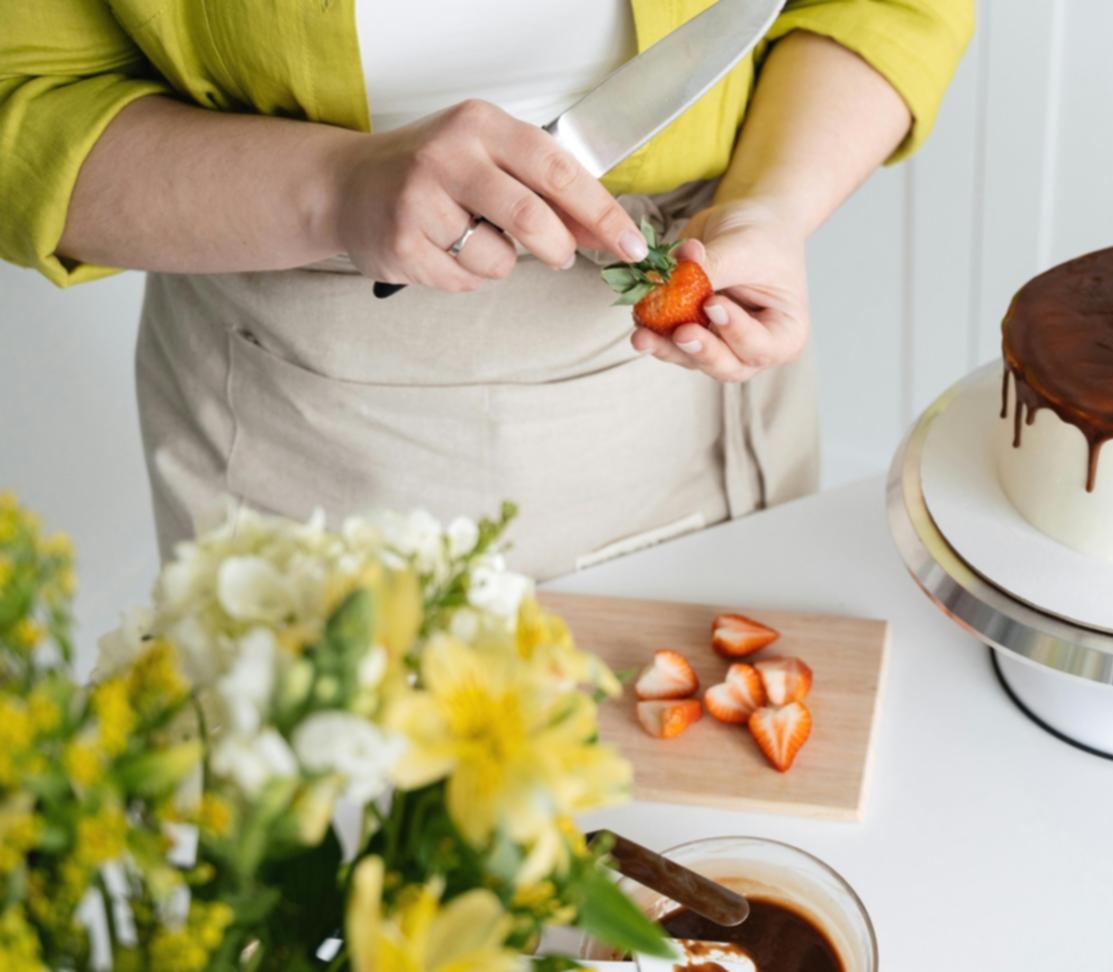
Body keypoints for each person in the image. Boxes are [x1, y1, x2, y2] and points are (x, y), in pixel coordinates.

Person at [0, 1, 973, 578]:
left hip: (694, 379)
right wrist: (339, 190)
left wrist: (773, 203)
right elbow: (25, 103)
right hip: (300, 430)